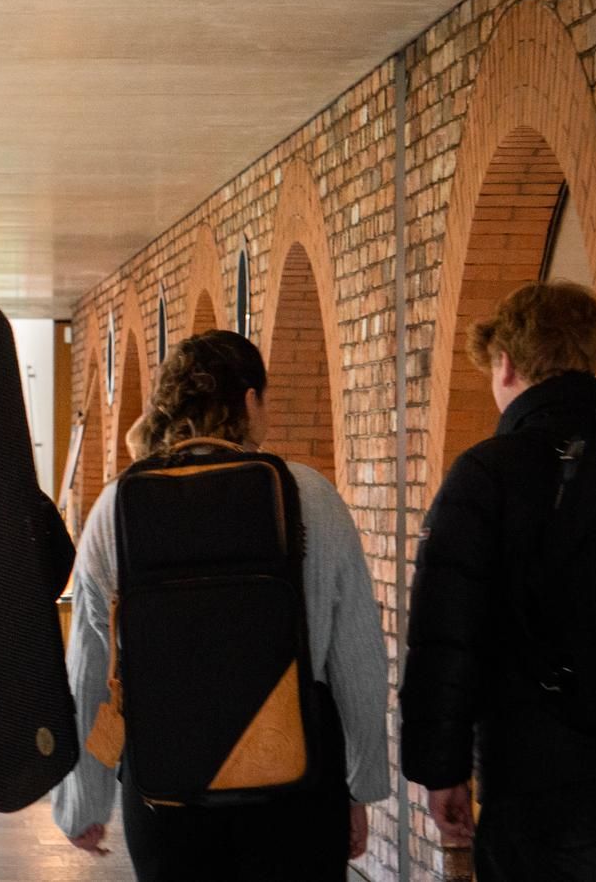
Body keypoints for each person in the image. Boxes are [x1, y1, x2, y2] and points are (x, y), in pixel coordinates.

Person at [53, 329, 389, 880]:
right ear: (250, 401)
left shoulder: (116, 507)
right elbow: (357, 657)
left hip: (166, 788)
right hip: (296, 780)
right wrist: (360, 784)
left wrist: (83, 803)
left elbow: (91, 669)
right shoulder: (308, 496)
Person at [401, 281, 596, 880]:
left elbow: (446, 633)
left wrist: (442, 769)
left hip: (540, 784)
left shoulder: (488, 472)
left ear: (505, 363)